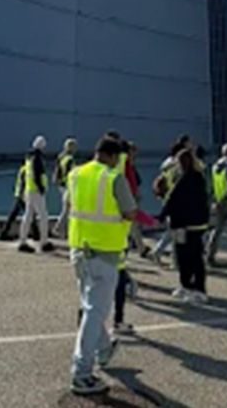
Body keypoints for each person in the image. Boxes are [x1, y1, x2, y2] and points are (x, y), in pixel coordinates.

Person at [66, 137, 138, 396]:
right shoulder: (113, 177)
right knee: (95, 313)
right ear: (113, 155)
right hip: (105, 253)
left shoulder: (76, 174)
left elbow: (70, 207)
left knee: (89, 305)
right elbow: (130, 212)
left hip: (78, 249)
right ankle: (82, 373)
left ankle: (104, 349)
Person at [160, 149, 211, 302]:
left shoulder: (190, 178)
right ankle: (187, 285)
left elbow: (173, 199)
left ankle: (198, 288)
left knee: (192, 257)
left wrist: (163, 215)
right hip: (188, 224)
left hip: (189, 224)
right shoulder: (191, 177)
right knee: (186, 256)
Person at [17, 136, 54, 253]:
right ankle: (44, 242)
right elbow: (38, 175)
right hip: (36, 191)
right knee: (43, 216)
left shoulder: (29, 158)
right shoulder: (37, 159)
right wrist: (42, 188)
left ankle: (22, 241)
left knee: (28, 216)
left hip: (29, 190)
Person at [1, 162, 40, 242]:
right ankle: (36, 235)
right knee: (30, 214)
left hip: (18, 195)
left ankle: (4, 233)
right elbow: (23, 183)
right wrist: (23, 196)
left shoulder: (22, 169)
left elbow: (18, 183)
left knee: (14, 215)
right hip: (22, 196)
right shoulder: (26, 170)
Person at [52, 137, 79, 237]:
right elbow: (72, 174)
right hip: (67, 186)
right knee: (67, 208)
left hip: (61, 185)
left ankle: (62, 230)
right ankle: (58, 229)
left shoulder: (61, 157)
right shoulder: (70, 160)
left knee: (67, 208)